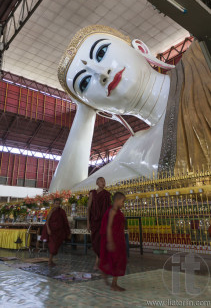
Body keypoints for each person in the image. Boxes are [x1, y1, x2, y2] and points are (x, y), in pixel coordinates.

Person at [49, 25, 211, 193]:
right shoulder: (135, 153)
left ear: (140, 48)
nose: (101, 74)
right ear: (98, 108)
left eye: (101, 52)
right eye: (84, 82)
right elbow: (62, 199)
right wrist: (85, 112)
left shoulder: (201, 57)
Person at [99, 191, 127, 291]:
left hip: (119, 239)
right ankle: (113, 284)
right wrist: (110, 242)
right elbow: (109, 227)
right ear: (117, 200)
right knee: (115, 260)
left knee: (119, 260)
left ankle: (113, 283)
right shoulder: (112, 211)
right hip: (113, 239)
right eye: (122, 201)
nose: (123, 204)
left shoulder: (118, 211)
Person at [87, 177, 111, 270]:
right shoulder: (92, 193)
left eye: (104, 181)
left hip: (104, 221)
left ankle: (98, 262)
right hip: (94, 221)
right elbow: (88, 208)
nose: (103, 182)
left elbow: (109, 209)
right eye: (101, 181)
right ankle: (99, 261)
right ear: (97, 183)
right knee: (95, 242)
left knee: (103, 242)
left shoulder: (107, 194)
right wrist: (88, 222)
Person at [41, 198, 70, 266]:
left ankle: (50, 261)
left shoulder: (62, 211)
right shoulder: (52, 211)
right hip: (52, 231)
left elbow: (65, 221)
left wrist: (67, 231)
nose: (57, 205)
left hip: (59, 231)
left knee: (56, 245)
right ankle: (50, 261)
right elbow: (47, 221)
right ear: (53, 204)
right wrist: (48, 229)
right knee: (53, 246)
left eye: (59, 204)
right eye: (56, 203)